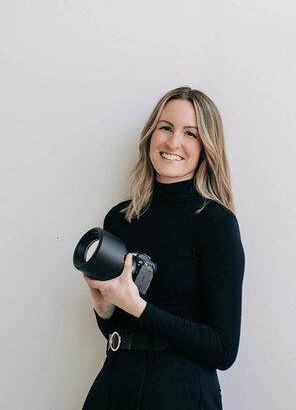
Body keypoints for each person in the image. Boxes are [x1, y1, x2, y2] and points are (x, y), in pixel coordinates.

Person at [81, 85, 245, 410]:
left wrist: (139, 307)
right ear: (151, 134)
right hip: (115, 384)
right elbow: (119, 331)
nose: (173, 142)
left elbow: (224, 350)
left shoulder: (216, 223)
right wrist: (105, 308)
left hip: (179, 392)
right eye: (165, 127)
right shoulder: (120, 218)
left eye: (190, 134)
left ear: (206, 148)